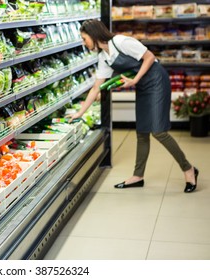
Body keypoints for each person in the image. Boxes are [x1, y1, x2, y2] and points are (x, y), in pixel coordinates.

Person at [65, 19, 198, 193]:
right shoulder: (103, 57)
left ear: (93, 35)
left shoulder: (121, 42)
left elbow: (149, 57)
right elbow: (96, 87)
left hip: (156, 81)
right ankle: (138, 176)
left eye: (84, 38)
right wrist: (80, 112)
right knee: (142, 131)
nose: (83, 43)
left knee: (158, 131)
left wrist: (134, 80)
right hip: (142, 86)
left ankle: (188, 169)